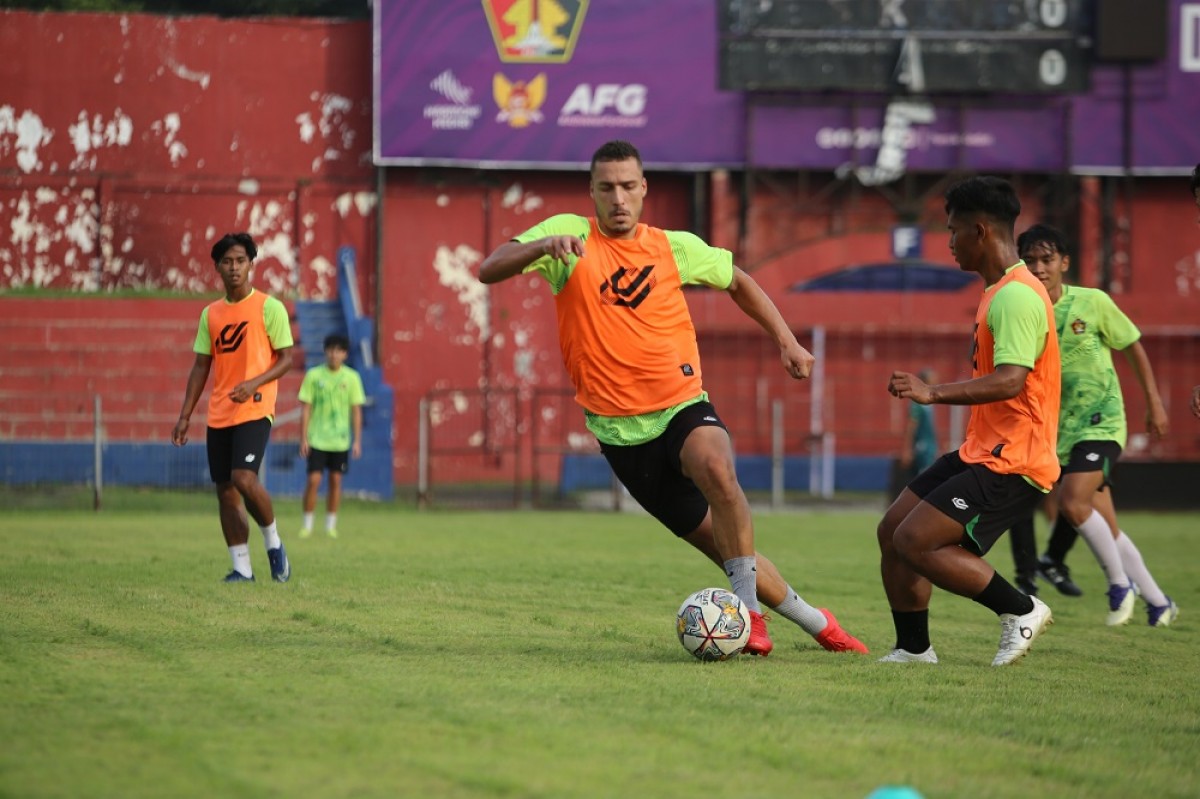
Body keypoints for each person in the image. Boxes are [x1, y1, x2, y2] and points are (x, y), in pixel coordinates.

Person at [477, 139, 867, 657]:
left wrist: (787, 341)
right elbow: (489, 268)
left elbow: (738, 281)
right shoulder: (567, 236)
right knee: (727, 550)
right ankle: (821, 625)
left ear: (644, 189)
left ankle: (750, 617)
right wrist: (541, 247)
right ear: (591, 191)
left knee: (717, 469)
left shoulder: (672, 246)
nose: (618, 198)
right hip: (621, 435)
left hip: (681, 404)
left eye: (627, 186)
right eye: (607, 188)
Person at [878, 176, 1058, 666]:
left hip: (1013, 459)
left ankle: (1020, 609)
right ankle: (914, 649)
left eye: (953, 230)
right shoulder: (997, 291)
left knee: (915, 540)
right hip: (982, 450)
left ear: (980, 231)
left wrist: (932, 392)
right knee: (893, 530)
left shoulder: (1016, 296)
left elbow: (1010, 381)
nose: (949, 242)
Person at [1020, 223, 1177, 626]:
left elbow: (1132, 346)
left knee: (1073, 503)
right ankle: (1159, 602)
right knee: (1105, 524)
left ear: (1064, 263)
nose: (1038, 268)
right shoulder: (1025, 313)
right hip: (1059, 433)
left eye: (1047, 259)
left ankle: (1119, 584)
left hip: (1102, 422)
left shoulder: (1093, 302)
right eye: (1030, 260)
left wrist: (1154, 403)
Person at [171, 232, 293, 583]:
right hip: (220, 411)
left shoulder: (269, 307)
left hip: (255, 406)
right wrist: (184, 416)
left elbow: (286, 359)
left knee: (243, 478)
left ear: (251, 264)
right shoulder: (210, 314)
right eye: (227, 262)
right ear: (218, 268)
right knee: (225, 490)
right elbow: (200, 366)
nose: (234, 267)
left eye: (240, 261)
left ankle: (274, 543)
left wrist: (254, 383)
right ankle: (242, 569)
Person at [298, 334, 365, 539]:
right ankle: (307, 525)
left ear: (345, 354)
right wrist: (304, 438)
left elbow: (356, 411)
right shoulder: (313, 375)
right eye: (331, 350)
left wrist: (357, 440)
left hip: (340, 440)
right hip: (317, 438)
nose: (334, 354)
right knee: (314, 480)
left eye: (339, 350)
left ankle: (330, 526)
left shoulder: (352, 378)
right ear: (325, 351)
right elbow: (306, 408)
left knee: (336, 480)